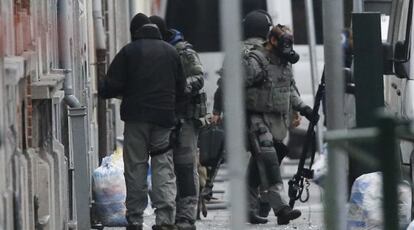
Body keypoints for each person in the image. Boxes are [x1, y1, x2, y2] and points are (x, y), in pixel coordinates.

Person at [99, 13, 185, 230]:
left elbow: (109, 88)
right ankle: (165, 218)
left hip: (136, 120)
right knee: (163, 167)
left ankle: (135, 218)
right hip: (164, 120)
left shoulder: (128, 52)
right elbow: (182, 89)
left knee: (135, 167)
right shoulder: (171, 52)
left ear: (134, 32)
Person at [243, 24, 318, 225]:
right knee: (269, 159)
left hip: (277, 119)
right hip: (256, 117)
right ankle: (282, 208)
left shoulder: (285, 62)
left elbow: (290, 89)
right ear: (273, 40)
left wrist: (304, 109)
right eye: (283, 42)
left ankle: (248, 208)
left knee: (257, 168)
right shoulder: (255, 60)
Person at [150, 16, 207, 230]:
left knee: (185, 166)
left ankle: (186, 215)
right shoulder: (156, 51)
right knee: (167, 167)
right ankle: (173, 213)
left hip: (186, 117)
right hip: (165, 117)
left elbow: (199, 77)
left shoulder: (183, 51)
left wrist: (178, 86)